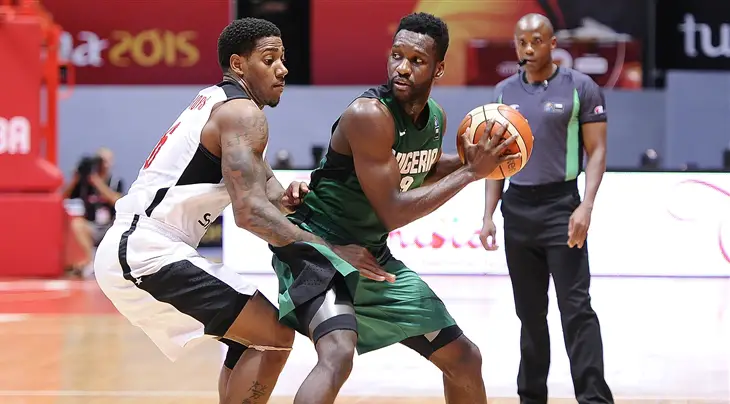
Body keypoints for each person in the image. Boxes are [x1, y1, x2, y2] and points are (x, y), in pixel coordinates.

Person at [93, 17, 375, 404]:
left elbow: (270, 196)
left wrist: (292, 197)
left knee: (255, 337)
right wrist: (332, 251)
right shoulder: (243, 114)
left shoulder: (221, 103)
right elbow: (250, 213)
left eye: (283, 58)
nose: (282, 69)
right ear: (238, 64)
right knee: (274, 337)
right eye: (269, 59)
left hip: (143, 247)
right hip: (147, 249)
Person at [269, 12, 520, 404]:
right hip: (318, 249)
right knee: (337, 355)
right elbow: (393, 210)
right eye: (397, 55)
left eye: (416, 60)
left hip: (371, 255)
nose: (402, 67)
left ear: (438, 69)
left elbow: (422, 169)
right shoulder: (369, 115)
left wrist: (479, 159)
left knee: (465, 358)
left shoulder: (434, 120)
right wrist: (472, 172)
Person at [480, 13, 613, 404]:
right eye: (522, 42)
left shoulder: (581, 88)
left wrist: (586, 206)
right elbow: (496, 161)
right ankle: (531, 397)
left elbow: (597, 151)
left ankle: (594, 398)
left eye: (537, 40)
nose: (529, 48)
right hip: (518, 210)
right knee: (530, 315)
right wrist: (488, 215)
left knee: (576, 310)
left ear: (553, 44)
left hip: (562, 208)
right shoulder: (502, 92)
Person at [63, 147, 124, 277]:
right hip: (92, 226)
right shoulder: (85, 184)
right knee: (78, 224)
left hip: (110, 226)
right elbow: (64, 196)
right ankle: (91, 261)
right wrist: (75, 179)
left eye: (106, 161)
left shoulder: (115, 181)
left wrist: (97, 182)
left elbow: (117, 200)